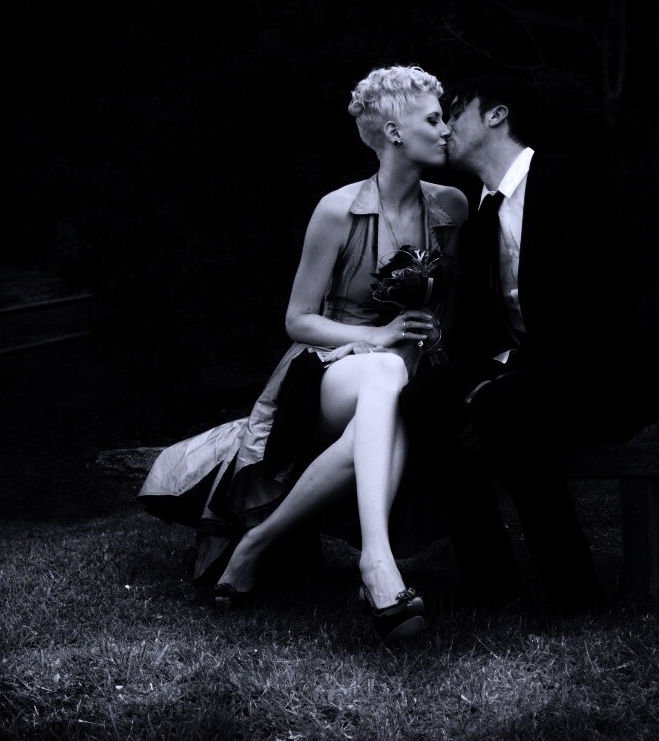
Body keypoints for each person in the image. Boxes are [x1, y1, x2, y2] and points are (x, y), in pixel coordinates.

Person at [137, 64, 467, 642]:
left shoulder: (452, 207)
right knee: (383, 371)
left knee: (387, 401)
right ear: (394, 132)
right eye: (434, 119)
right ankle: (377, 561)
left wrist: (435, 335)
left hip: (411, 374)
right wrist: (376, 338)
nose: (447, 130)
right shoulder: (337, 209)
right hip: (331, 372)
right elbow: (298, 319)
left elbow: (453, 305)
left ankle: (257, 542)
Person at [399, 72, 659, 614]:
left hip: (601, 373)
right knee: (425, 398)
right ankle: (490, 580)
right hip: (524, 377)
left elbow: (595, 310)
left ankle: (574, 592)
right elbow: (481, 333)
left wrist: (503, 375)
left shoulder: (571, 182)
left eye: (455, 110)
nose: (444, 127)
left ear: (496, 115)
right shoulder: (478, 217)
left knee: (502, 402)